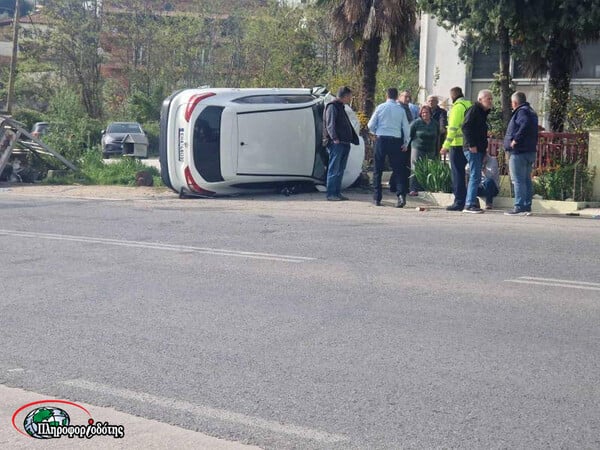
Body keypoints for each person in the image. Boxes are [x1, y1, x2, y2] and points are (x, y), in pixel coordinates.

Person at [367, 88, 411, 207]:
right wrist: (406, 143)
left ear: (386, 95)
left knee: (378, 169)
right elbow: (406, 128)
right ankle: (401, 196)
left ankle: (377, 198)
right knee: (398, 170)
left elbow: (370, 124)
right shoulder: (400, 109)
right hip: (396, 140)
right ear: (397, 97)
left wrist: (375, 132)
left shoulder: (380, 107)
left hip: (381, 139)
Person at [503, 91, 539, 215]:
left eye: (512, 103)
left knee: (518, 180)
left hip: (519, 151)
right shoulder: (531, 111)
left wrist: (515, 140)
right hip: (529, 150)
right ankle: (526, 206)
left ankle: (519, 206)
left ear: (515, 102)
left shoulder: (522, 112)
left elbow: (524, 124)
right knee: (526, 180)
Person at [323, 86, 359, 201]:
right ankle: (331, 193)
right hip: (337, 143)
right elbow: (330, 124)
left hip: (345, 142)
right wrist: (334, 138)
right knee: (334, 169)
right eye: (349, 96)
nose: (350, 99)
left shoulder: (341, 107)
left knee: (340, 169)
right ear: (345, 96)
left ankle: (337, 192)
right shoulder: (332, 107)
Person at [440, 87, 472, 211]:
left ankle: (458, 202)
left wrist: (445, 146)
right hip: (468, 144)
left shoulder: (457, 107)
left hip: (457, 144)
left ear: (452, 96)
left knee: (457, 174)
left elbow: (452, 129)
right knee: (470, 174)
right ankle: (469, 200)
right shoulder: (469, 105)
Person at [462, 89, 493, 213]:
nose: (490, 101)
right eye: (488, 98)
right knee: (475, 175)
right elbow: (466, 127)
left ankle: (471, 202)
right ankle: (469, 204)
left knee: (476, 175)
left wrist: (484, 151)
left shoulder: (482, 113)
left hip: (479, 149)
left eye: (491, 99)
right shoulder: (474, 110)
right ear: (480, 99)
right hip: (472, 148)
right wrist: (472, 144)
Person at [408, 105, 439, 195]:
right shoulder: (416, 123)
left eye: (427, 112)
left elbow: (438, 137)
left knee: (429, 168)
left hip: (431, 149)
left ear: (430, 113)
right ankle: (413, 189)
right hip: (418, 148)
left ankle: (425, 187)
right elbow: (409, 135)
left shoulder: (435, 123)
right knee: (415, 168)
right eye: (423, 113)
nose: (425, 114)